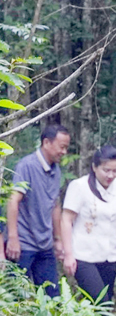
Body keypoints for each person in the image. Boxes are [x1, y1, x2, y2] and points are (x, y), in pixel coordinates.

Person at [60, 145, 116, 312]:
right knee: (100, 303)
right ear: (94, 167)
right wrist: (68, 255)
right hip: (83, 255)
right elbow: (66, 219)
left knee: (105, 302)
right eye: (106, 171)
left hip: (109, 255)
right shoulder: (79, 187)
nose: (111, 175)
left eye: (115, 171)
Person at [5, 124, 70, 296]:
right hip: (23, 243)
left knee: (52, 298)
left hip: (45, 245)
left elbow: (54, 206)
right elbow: (13, 200)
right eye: (62, 147)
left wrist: (57, 239)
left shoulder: (56, 171)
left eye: (66, 148)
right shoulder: (26, 166)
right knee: (17, 298)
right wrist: (12, 238)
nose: (64, 152)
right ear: (47, 143)